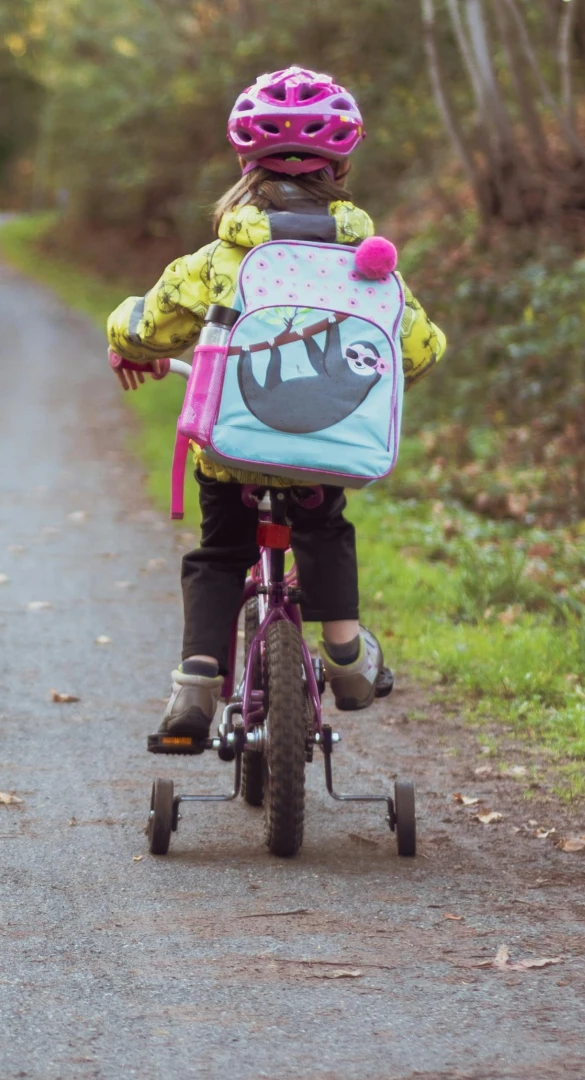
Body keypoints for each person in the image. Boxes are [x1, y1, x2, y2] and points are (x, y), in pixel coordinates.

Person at [105, 67, 448, 749]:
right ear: (342, 166)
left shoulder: (221, 259)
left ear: (244, 162)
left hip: (232, 454)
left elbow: (149, 324)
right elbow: (420, 349)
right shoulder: (368, 263)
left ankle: (196, 686)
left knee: (219, 553)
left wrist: (124, 336)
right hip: (324, 455)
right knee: (325, 530)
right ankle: (347, 657)